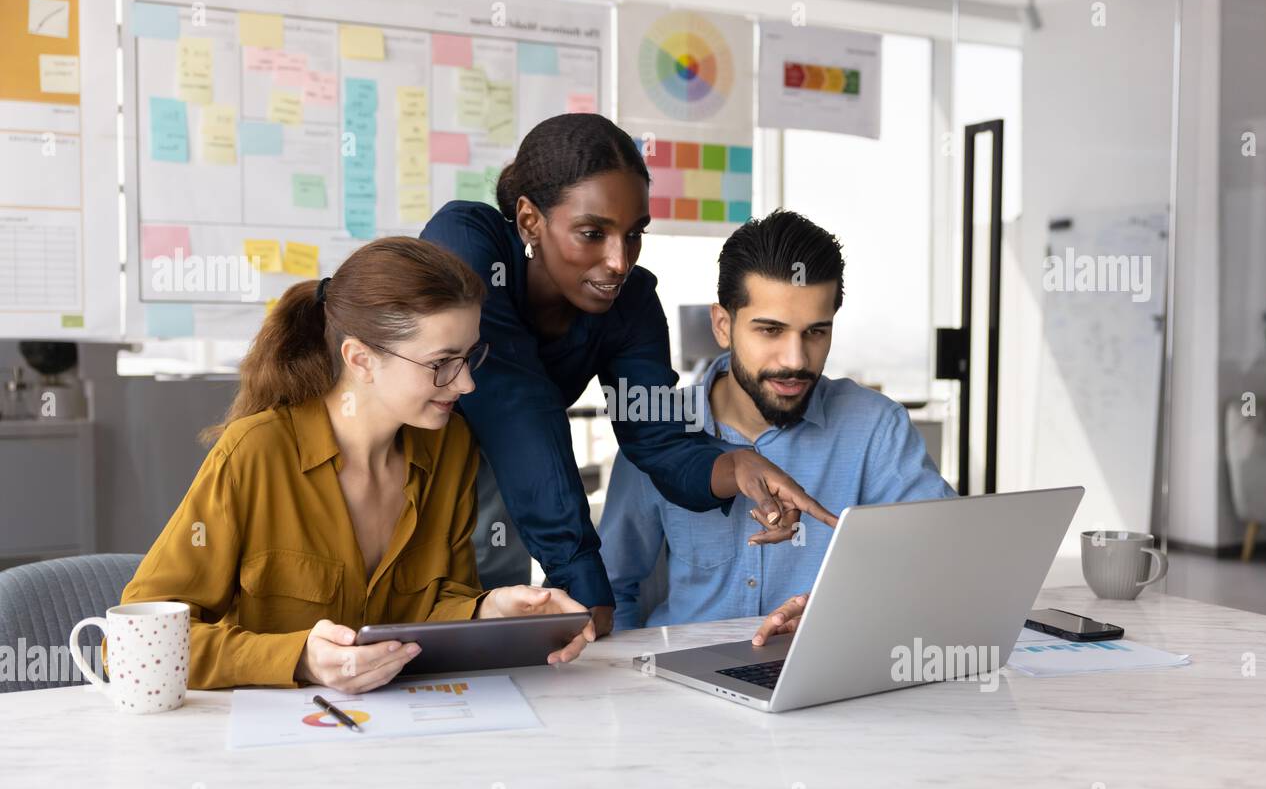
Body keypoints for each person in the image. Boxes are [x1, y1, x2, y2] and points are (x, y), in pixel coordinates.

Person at [420, 113, 837, 635]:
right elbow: (515, 405)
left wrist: (736, 465)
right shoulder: (465, 240)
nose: (620, 261)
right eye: (592, 233)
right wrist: (581, 575)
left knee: (479, 653)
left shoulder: (630, 302)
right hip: (390, 464)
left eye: (634, 234)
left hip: (495, 481)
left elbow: (656, 435)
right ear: (529, 220)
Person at [119, 237, 594, 692]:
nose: (466, 383)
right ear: (360, 359)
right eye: (443, 362)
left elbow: (429, 611)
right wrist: (299, 658)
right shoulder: (255, 454)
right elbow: (132, 647)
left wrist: (490, 612)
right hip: (272, 754)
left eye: (469, 357)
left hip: (403, 739)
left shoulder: (450, 448)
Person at [599, 209, 955, 632]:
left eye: (815, 332)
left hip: (827, 671)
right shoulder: (659, 431)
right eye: (770, 331)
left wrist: (841, 612)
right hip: (680, 678)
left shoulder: (875, 427)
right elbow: (610, 589)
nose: (795, 360)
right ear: (723, 326)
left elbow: (939, 563)